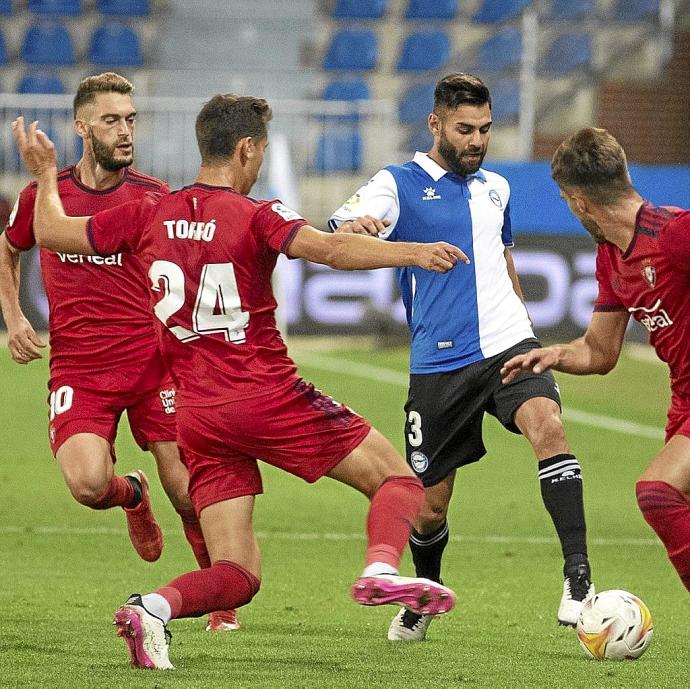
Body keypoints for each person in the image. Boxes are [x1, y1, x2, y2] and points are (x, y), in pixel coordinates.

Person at [13, 93, 466, 670]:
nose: (258, 164)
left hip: (199, 415)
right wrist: (414, 251)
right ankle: (380, 567)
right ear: (246, 149)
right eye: (261, 152)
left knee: (238, 572)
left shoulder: (149, 211)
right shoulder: (256, 213)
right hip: (265, 395)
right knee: (401, 483)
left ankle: (151, 609)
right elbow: (326, 249)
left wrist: (46, 172)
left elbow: (49, 230)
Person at [329, 73, 595, 641]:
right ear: (435, 124)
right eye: (465, 129)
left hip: (509, 344)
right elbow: (346, 225)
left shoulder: (497, 187)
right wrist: (357, 225)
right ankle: (424, 596)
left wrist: (528, 329)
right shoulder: (398, 183)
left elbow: (503, 260)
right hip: (440, 362)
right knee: (430, 505)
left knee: (548, 427)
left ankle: (579, 578)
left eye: (486, 130)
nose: (477, 141)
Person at [0, 73, 238, 632]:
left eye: (131, 118)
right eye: (111, 120)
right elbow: (9, 251)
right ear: (82, 127)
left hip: (157, 367)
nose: (125, 130)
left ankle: (218, 601)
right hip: (81, 371)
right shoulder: (44, 196)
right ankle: (131, 493)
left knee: (187, 490)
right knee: (87, 485)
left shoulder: (153, 198)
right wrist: (14, 318)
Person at [501, 126, 690, 598]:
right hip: (682, 401)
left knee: (657, 492)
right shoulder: (611, 256)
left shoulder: (674, 234)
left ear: (580, 201)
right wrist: (558, 354)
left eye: (566, 198)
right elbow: (601, 351)